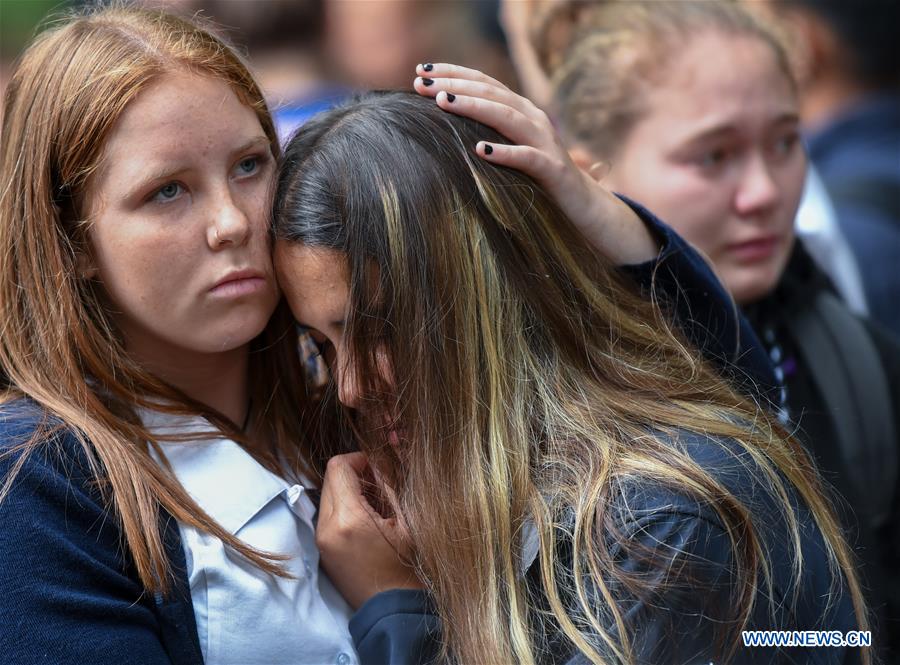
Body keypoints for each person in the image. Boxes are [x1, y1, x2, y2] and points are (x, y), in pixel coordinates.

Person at [0, 6, 776, 664]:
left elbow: (728, 415)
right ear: (71, 239)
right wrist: (394, 611)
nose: (231, 222)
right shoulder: (40, 479)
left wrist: (599, 217)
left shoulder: (348, 393)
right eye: (166, 191)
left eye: (249, 165)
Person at [272, 74, 870, 663]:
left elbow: (737, 389)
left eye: (380, 329)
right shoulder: (515, 487)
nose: (350, 387)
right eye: (321, 345)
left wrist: (394, 612)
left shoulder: (661, 525)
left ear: (487, 297)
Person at [540, 0, 900, 656]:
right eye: (713, 155)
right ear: (589, 177)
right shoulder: (549, 399)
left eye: (785, 142)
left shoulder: (852, 359)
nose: (763, 192)